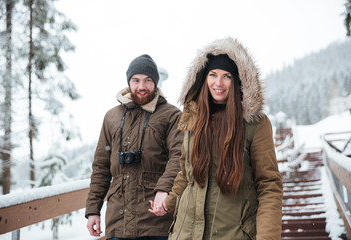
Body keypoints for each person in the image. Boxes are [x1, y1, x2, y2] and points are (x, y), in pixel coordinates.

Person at [152, 37, 283, 240]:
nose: (218, 83)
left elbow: (268, 185)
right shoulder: (193, 119)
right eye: (213, 75)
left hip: (232, 233)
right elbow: (186, 175)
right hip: (185, 232)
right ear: (204, 78)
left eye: (227, 76)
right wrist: (168, 202)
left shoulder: (254, 124)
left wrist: (267, 237)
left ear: (237, 80)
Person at [85, 54, 184, 240]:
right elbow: (100, 167)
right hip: (118, 220)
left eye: (148, 80)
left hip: (155, 219)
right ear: (128, 82)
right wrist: (93, 210)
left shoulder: (171, 115)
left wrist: (164, 189)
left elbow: (180, 157)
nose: (141, 86)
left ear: (155, 82)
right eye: (136, 80)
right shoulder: (111, 117)